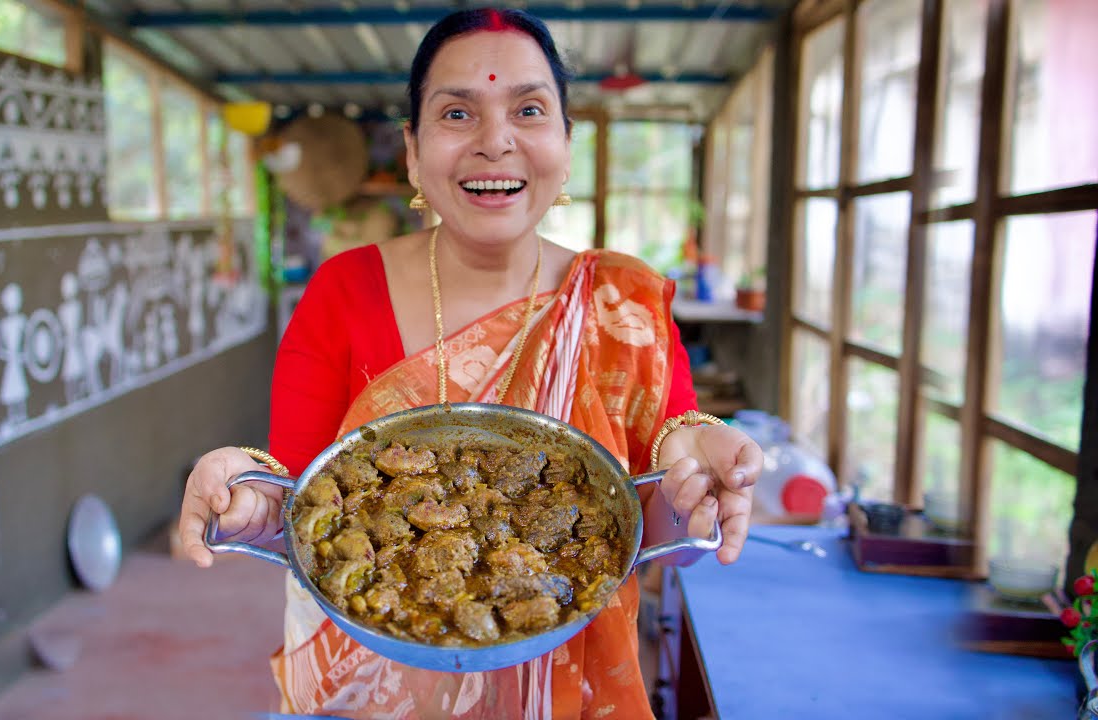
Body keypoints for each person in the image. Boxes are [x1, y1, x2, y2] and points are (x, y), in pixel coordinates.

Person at [179, 8, 761, 718]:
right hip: (379, 687)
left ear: (566, 144)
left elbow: (653, 534)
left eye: (529, 109)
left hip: (569, 692)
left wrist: (698, 482)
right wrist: (242, 498)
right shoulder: (342, 293)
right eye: (458, 112)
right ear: (415, 150)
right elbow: (300, 507)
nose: (496, 141)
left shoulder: (622, 304)